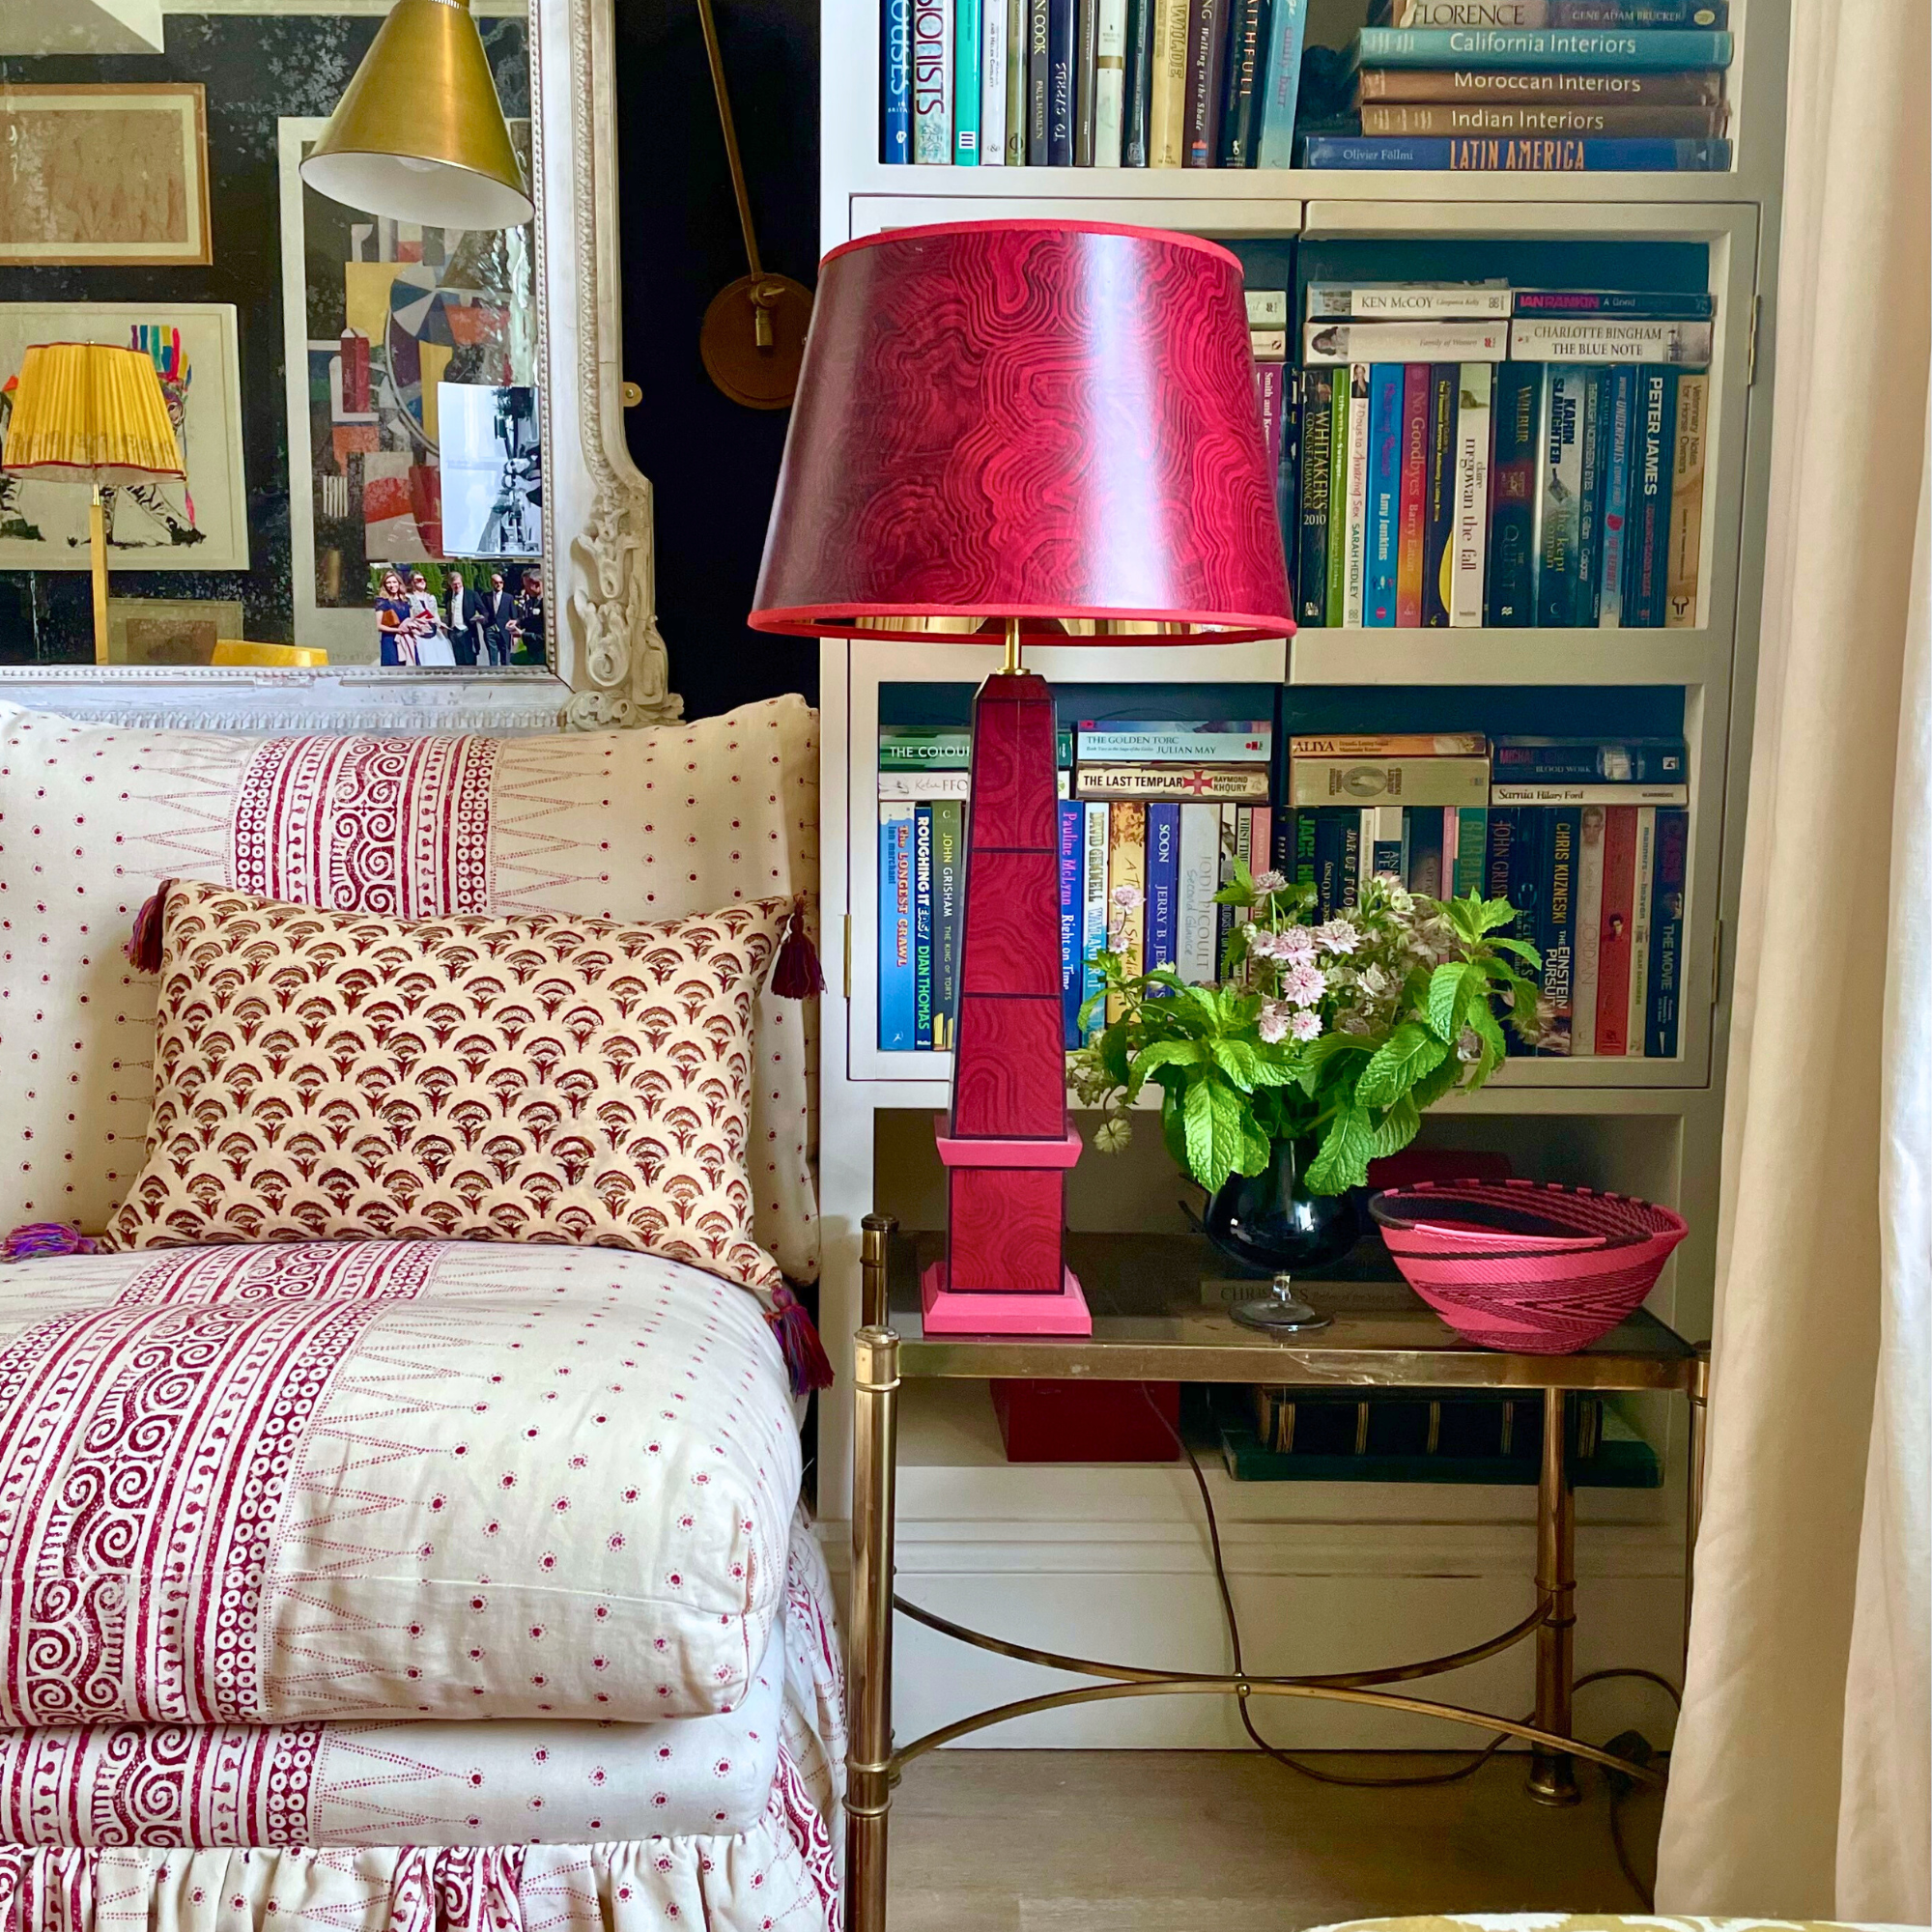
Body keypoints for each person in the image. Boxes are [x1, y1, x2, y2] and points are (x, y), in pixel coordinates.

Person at [410, 570, 456, 666]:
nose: (422, 581)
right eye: (418, 580)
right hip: (419, 635)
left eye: (424, 579)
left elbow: (435, 615)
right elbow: (409, 618)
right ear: (412, 583)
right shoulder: (409, 598)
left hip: (434, 633)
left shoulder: (431, 597)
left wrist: (440, 624)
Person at [375, 569, 415, 666]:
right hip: (390, 641)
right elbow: (378, 626)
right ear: (384, 585)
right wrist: (397, 630)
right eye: (388, 583)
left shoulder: (406, 601)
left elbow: (412, 619)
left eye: (394, 582)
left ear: (399, 583)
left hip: (406, 640)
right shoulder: (382, 601)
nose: (392, 585)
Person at [443, 567, 482, 667]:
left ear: (462, 582)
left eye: (458, 583)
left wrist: (480, 618)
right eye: (454, 584)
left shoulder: (471, 595)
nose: (457, 586)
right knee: (458, 659)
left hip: (466, 630)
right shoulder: (448, 595)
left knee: (470, 658)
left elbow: (483, 610)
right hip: (453, 631)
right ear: (450, 584)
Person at [478, 570, 517, 668]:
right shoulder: (486, 596)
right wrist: (484, 624)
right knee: (493, 658)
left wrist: (515, 635)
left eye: (501, 582)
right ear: (492, 583)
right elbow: (483, 611)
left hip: (504, 630)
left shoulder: (509, 598)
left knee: (505, 658)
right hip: (490, 629)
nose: (499, 584)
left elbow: (514, 617)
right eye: (496, 582)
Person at [511, 568, 544, 666]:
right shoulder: (532, 600)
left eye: (527, 586)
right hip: (532, 651)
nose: (525, 590)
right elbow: (532, 620)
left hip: (542, 652)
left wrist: (522, 634)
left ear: (537, 584)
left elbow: (544, 636)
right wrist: (518, 622)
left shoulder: (548, 603)